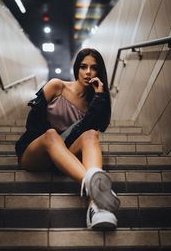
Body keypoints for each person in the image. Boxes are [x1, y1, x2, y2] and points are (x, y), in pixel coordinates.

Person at [15, 48, 120, 229]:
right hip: (35, 151)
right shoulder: (57, 86)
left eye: (93, 68)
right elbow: (32, 124)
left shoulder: (93, 102)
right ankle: (99, 191)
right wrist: (55, 140)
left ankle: (96, 208)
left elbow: (92, 127)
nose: (88, 72)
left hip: (65, 156)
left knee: (91, 135)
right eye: (83, 67)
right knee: (51, 135)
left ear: (99, 72)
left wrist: (100, 95)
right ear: (76, 69)